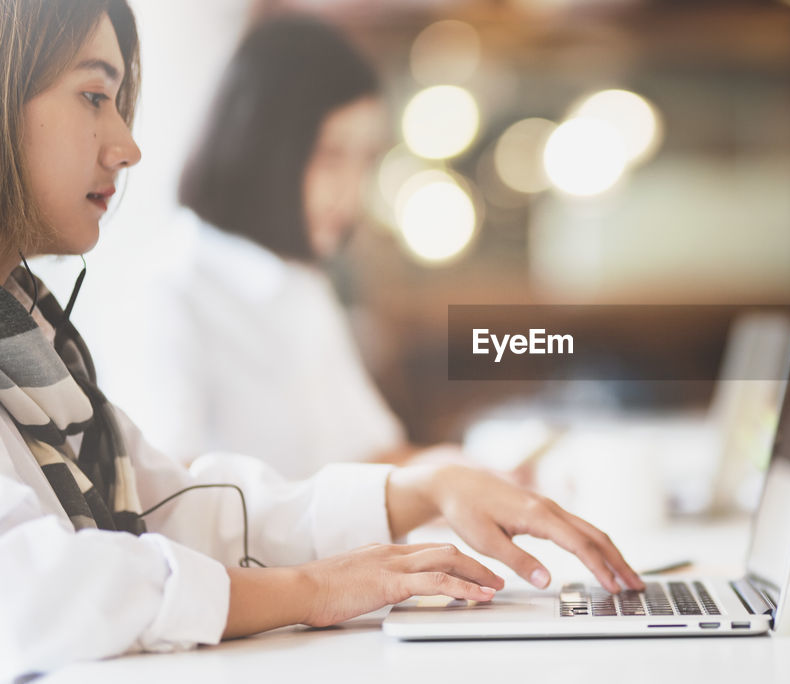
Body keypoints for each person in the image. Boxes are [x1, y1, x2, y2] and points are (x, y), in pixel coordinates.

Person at [0, 1, 642, 678]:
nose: (128, 146)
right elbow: (31, 591)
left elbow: (172, 505)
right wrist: (315, 587)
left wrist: (431, 487)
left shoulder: (32, 337)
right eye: (94, 96)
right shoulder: (164, 293)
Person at [105, 16, 414, 477]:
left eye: (364, 160)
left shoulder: (300, 282)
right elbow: (168, 499)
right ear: (264, 144)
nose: (352, 191)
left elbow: (378, 454)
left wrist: (490, 482)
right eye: (331, 156)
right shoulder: (169, 291)